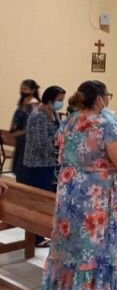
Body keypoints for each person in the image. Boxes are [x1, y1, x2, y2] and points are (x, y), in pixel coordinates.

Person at [41, 81, 117, 290]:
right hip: (94, 200)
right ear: (100, 99)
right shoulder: (104, 125)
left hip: (69, 193)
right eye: (107, 96)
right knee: (93, 252)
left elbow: (63, 151)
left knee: (70, 249)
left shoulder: (69, 121)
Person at [22, 85, 66, 246]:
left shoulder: (53, 113)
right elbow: (40, 143)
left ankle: (42, 233)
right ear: (49, 99)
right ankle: (36, 238)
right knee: (38, 201)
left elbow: (59, 133)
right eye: (59, 100)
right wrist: (59, 151)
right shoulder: (38, 116)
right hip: (37, 165)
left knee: (47, 199)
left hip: (49, 163)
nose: (61, 103)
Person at [9, 79, 40, 181]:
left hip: (27, 140)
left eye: (25, 89)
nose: (22, 91)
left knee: (23, 171)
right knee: (18, 170)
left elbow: (33, 125)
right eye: (21, 88)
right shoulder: (22, 102)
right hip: (20, 140)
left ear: (33, 90)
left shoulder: (34, 104)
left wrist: (20, 132)